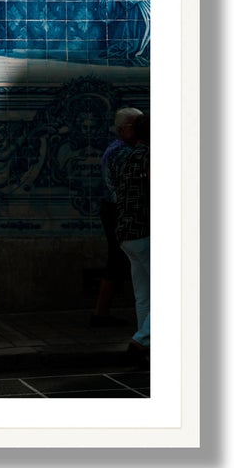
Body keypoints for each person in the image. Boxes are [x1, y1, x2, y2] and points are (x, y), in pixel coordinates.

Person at [91, 108, 143, 325]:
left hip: (115, 209)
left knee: (119, 259)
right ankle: (101, 313)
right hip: (118, 210)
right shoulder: (123, 153)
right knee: (117, 259)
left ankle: (102, 313)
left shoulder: (121, 149)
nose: (141, 130)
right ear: (123, 129)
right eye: (136, 126)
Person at [114, 112, 151, 360]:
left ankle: (147, 347)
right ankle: (142, 340)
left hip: (126, 232)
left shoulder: (124, 155)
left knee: (143, 295)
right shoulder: (151, 156)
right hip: (146, 231)